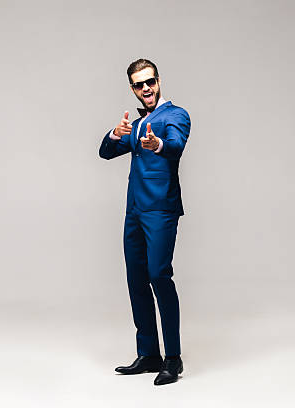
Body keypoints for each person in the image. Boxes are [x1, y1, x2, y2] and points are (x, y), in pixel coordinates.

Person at [98, 58, 191, 386]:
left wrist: (159, 144)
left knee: (158, 276)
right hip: (134, 212)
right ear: (133, 89)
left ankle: (173, 358)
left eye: (150, 81)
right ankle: (149, 353)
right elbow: (105, 152)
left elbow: (177, 146)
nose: (146, 89)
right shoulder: (136, 124)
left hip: (161, 210)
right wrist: (114, 133)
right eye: (139, 84)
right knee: (137, 280)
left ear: (159, 80)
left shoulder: (175, 115)